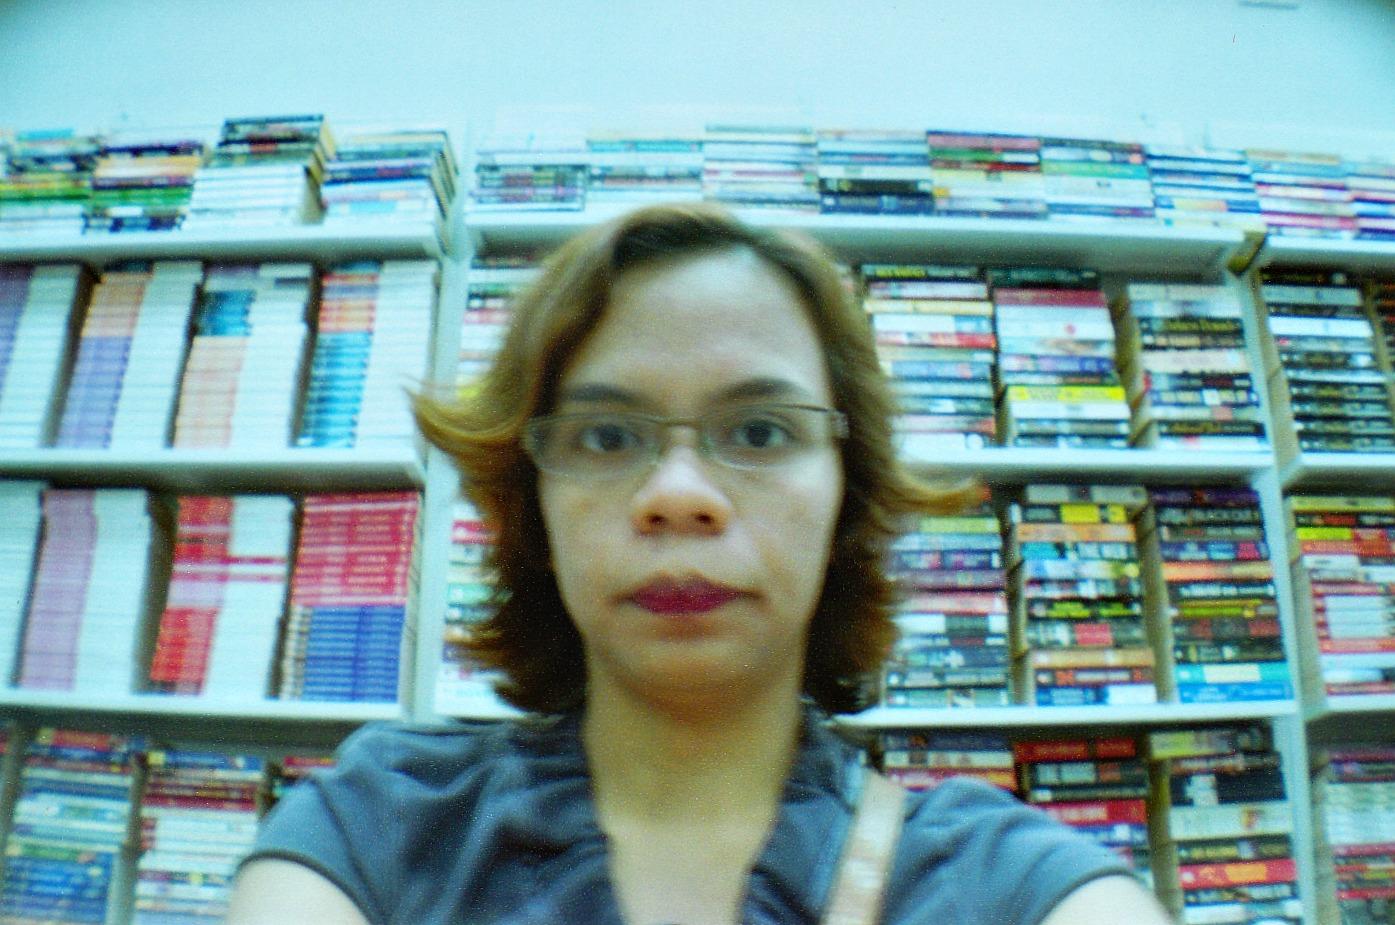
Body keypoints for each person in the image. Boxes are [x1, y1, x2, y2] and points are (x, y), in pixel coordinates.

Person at [227, 203, 1176, 925]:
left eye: (759, 431)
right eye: (605, 436)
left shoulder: (1007, 884)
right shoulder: (373, 832)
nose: (678, 494)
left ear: (846, 497)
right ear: (534, 509)